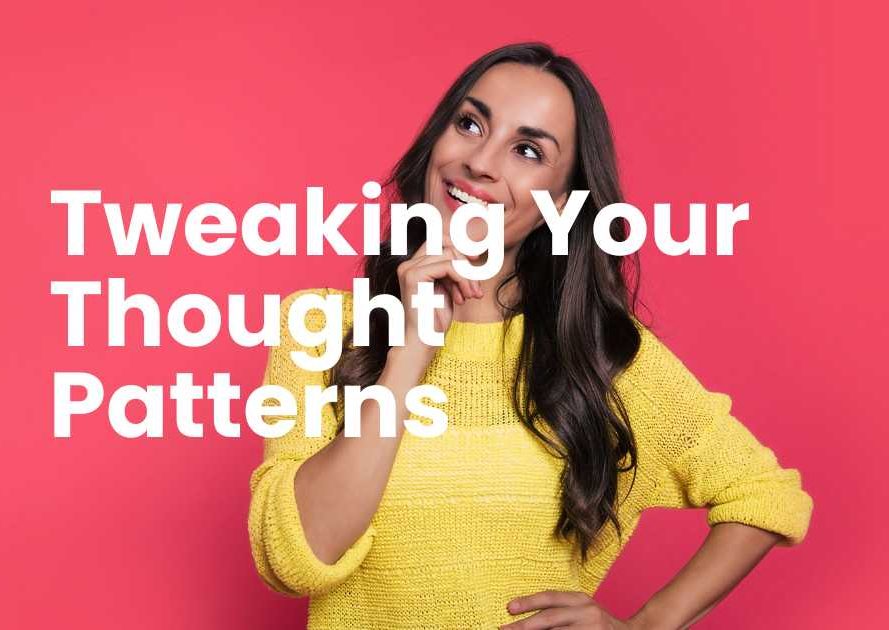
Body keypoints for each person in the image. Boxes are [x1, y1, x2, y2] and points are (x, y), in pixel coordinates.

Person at [246, 42, 813, 629]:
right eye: (470, 123)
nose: (482, 162)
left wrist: (645, 626)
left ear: (559, 204)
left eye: (526, 150)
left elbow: (765, 495)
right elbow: (296, 559)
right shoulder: (318, 326)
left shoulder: (599, 359)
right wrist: (411, 350)